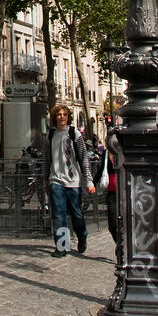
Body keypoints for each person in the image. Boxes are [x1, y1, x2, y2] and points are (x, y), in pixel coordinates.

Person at [43, 103, 95, 257]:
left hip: (73, 181)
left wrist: (89, 181)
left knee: (76, 213)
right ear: (54, 117)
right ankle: (62, 246)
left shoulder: (75, 134)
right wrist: (46, 181)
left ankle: (82, 235)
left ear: (68, 117)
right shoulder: (50, 135)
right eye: (59, 115)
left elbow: (84, 159)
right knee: (58, 215)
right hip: (56, 180)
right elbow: (46, 160)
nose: (62, 117)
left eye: (64, 115)